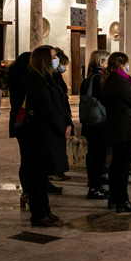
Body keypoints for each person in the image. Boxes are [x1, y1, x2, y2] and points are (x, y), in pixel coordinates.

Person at [23, 46, 72, 227]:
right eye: (52, 56)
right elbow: (48, 109)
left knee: (44, 175)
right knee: (37, 175)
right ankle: (38, 213)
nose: (56, 59)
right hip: (41, 133)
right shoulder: (36, 81)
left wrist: (68, 123)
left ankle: (46, 210)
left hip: (53, 132)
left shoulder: (50, 78)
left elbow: (61, 102)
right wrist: (61, 127)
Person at [101, 52, 131, 212]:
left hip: (117, 127)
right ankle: (122, 200)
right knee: (122, 166)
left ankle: (114, 197)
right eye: (126, 64)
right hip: (126, 128)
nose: (128, 67)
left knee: (116, 164)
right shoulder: (120, 81)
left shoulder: (111, 79)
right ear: (121, 65)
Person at [80, 50, 110, 199]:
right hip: (98, 121)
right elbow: (105, 99)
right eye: (108, 60)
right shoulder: (98, 78)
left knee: (94, 151)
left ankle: (95, 180)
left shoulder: (89, 77)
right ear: (102, 62)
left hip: (90, 121)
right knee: (97, 153)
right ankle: (95, 186)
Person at [8, 52, 32, 208]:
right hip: (24, 122)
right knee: (28, 159)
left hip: (19, 122)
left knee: (27, 158)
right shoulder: (24, 81)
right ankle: (27, 192)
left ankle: (27, 193)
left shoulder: (17, 78)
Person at [51, 48, 71, 182]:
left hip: (63, 111)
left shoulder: (58, 76)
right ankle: (54, 171)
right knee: (55, 146)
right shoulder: (52, 77)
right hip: (57, 114)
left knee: (61, 146)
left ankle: (60, 170)